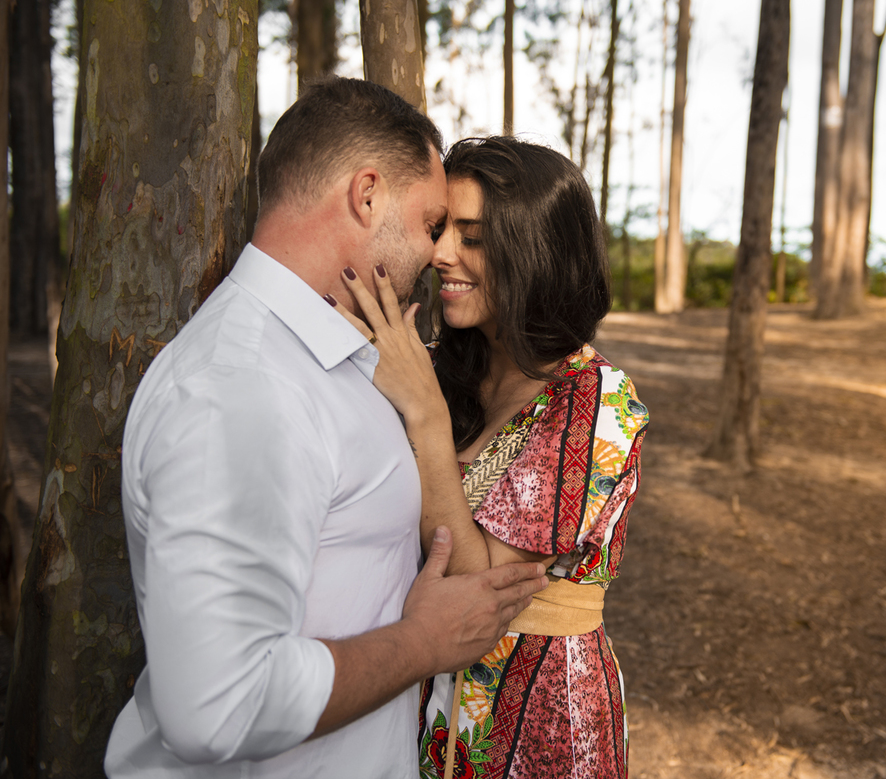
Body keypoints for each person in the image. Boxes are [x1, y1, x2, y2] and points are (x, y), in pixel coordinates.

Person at [105, 79, 548, 778]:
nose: (437, 253)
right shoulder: (242, 388)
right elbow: (219, 705)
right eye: (432, 221)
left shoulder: (327, 355)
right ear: (367, 194)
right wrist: (424, 642)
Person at [333, 137, 649, 779]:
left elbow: (478, 579)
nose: (441, 253)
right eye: (442, 228)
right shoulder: (449, 367)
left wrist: (423, 412)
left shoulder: (597, 400)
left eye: (472, 236)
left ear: (536, 253)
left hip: (540, 719)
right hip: (429, 698)